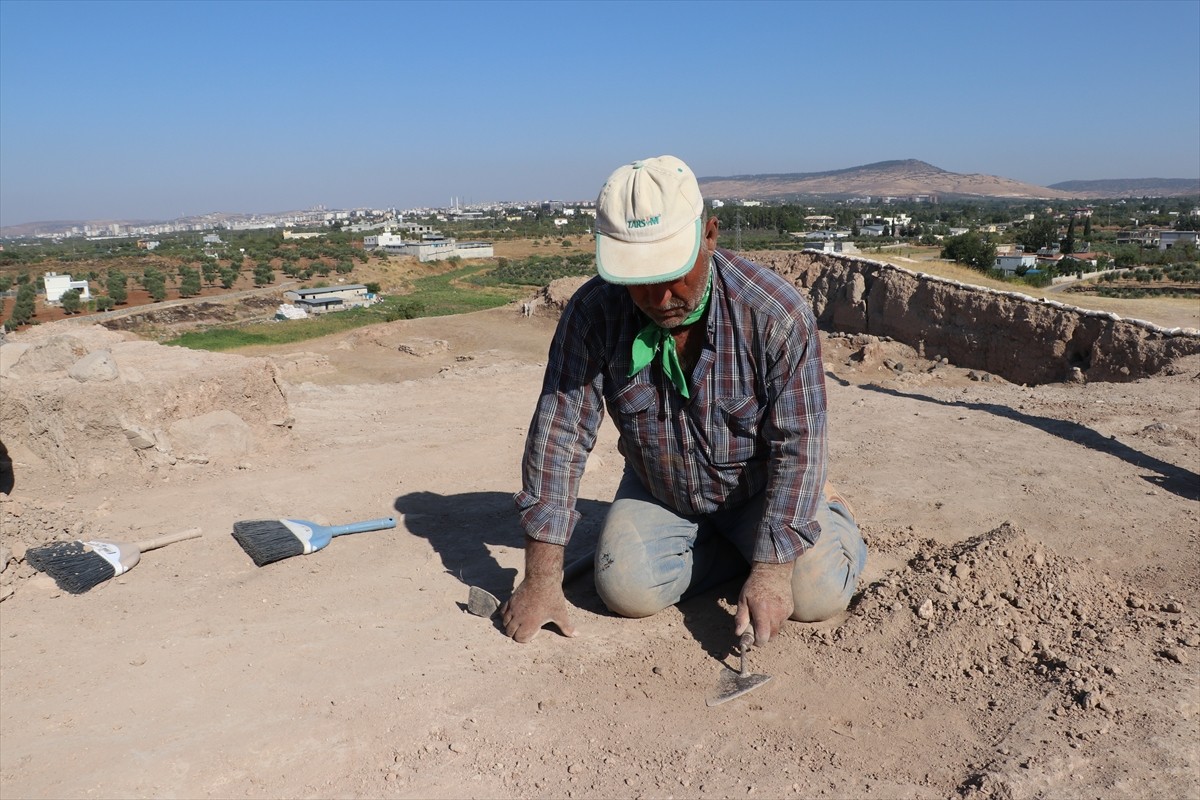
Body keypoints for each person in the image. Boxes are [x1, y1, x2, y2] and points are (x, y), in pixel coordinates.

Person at [503, 155, 866, 647]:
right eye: (638, 278)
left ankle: (827, 512)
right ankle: (733, 550)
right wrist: (542, 579)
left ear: (709, 236)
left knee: (817, 595)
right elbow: (559, 436)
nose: (659, 297)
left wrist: (773, 571)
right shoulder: (593, 314)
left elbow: (799, 445)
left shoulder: (775, 316)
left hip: (759, 490)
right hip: (663, 491)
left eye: (673, 273)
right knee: (624, 588)